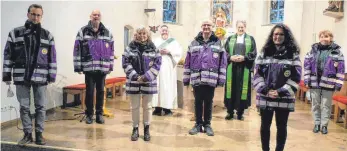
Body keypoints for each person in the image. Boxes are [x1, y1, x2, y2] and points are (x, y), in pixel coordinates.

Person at [2, 4, 57, 145]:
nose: (35, 17)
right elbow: (8, 55)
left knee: (40, 107)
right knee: (24, 106)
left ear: (41, 17)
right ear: (28, 15)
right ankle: (27, 134)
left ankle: (39, 134)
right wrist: (7, 74)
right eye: (33, 14)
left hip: (41, 76)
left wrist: (52, 75)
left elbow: (52, 57)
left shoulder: (47, 35)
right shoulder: (15, 33)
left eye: (38, 15)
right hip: (21, 76)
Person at [253, 24, 301, 151]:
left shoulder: (293, 54)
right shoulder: (264, 52)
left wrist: (280, 92)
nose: (278, 37)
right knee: (264, 126)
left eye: (281, 34)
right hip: (266, 96)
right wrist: (266, 90)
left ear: (286, 36)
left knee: (281, 126)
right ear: (271, 36)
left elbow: (296, 77)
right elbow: (257, 74)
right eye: (275, 34)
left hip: (284, 98)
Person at [183, 20, 227, 136]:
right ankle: (198, 124)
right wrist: (186, 78)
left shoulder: (218, 43)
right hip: (197, 78)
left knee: (208, 102)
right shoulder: (194, 43)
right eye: (204, 25)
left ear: (212, 27)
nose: (206, 27)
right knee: (197, 102)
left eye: (208, 25)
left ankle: (207, 124)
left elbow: (223, 62)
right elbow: (187, 62)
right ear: (201, 27)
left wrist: (221, 79)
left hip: (211, 79)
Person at [73, 10, 114, 124]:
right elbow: (77, 49)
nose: (96, 16)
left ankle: (99, 114)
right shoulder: (82, 31)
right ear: (90, 16)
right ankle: (89, 114)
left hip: (102, 68)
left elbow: (111, 51)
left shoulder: (107, 33)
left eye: (98, 15)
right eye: (94, 15)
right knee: (90, 92)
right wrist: (78, 66)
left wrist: (110, 65)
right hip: (89, 67)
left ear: (101, 17)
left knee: (101, 92)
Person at [122, 26, 161, 141]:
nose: (142, 35)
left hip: (148, 81)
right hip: (133, 81)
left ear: (148, 35)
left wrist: (146, 76)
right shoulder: (129, 48)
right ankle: (135, 129)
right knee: (134, 107)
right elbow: (125, 63)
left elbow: (157, 64)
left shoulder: (154, 48)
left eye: (144, 33)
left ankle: (147, 129)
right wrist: (135, 75)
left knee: (148, 107)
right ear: (136, 35)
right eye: (140, 33)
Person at [304, 30, 345, 134]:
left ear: (330, 38)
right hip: (314, 82)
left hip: (329, 82)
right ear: (319, 38)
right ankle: (317, 124)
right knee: (315, 104)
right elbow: (307, 66)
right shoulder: (312, 51)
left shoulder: (337, 52)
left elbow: (340, 70)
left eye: (326, 36)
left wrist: (339, 84)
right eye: (321, 36)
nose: (323, 38)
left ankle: (324, 126)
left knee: (326, 105)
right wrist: (306, 80)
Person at [224, 20, 257, 120]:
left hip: (244, 69)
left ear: (245, 27)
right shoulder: (230, 39)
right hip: (232, 69)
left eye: (242, 27)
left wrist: (244, 58)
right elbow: (224, 52)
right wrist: (230, 58)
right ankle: (229, 112)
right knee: (231, 89)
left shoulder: (250, 39)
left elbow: (253, 53)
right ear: (236, 28)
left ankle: (240, 113)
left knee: (242, 90)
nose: (240, 29)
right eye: (239, 27)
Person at [152, 25, 182, 116]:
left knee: (168, 86)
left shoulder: (173, 42)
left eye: (166, 30)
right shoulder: (155, 41)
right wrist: (158, 52)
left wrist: (169, 52)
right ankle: (157, 108)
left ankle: (167, 108)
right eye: (163, 30)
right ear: (160, 31)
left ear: (168, 31)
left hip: (169, 67)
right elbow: (150, 52)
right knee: (157, 86)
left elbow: (179, 52)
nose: (164, 32)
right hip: (157, 67)